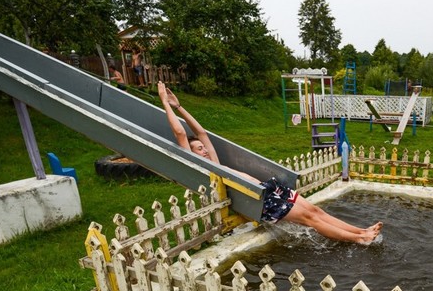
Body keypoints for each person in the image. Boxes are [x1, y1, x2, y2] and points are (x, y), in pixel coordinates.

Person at [157, 82, 382, 244]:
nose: (204, 150)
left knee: (315, 210)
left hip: (269, 189)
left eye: (203, 147)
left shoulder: (213, 160)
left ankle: (361, 230)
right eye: (198, 149)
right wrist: (164, 103)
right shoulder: (202, 166)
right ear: (191, 154)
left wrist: (179, 106)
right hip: (261, 201)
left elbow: (200, 131)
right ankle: (359, 239)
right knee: (311, 219)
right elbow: (180, 133)